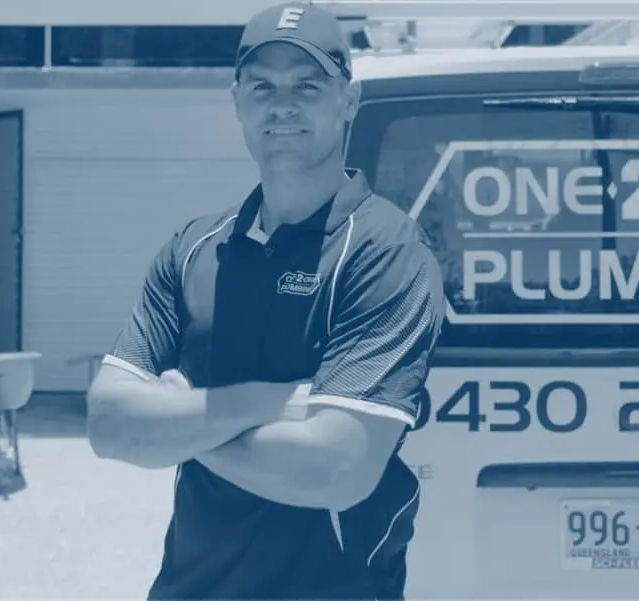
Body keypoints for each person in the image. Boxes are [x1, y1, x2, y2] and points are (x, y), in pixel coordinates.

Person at [85, 2, 446, 599]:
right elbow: (109, 424)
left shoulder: (385, 252)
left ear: (348, 102)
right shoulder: (193, 248)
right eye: (262, 86)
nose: (283, 104)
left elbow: (337, 469)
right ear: (237, 103)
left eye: (308, 85)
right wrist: (273, 402)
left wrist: (181, 422)